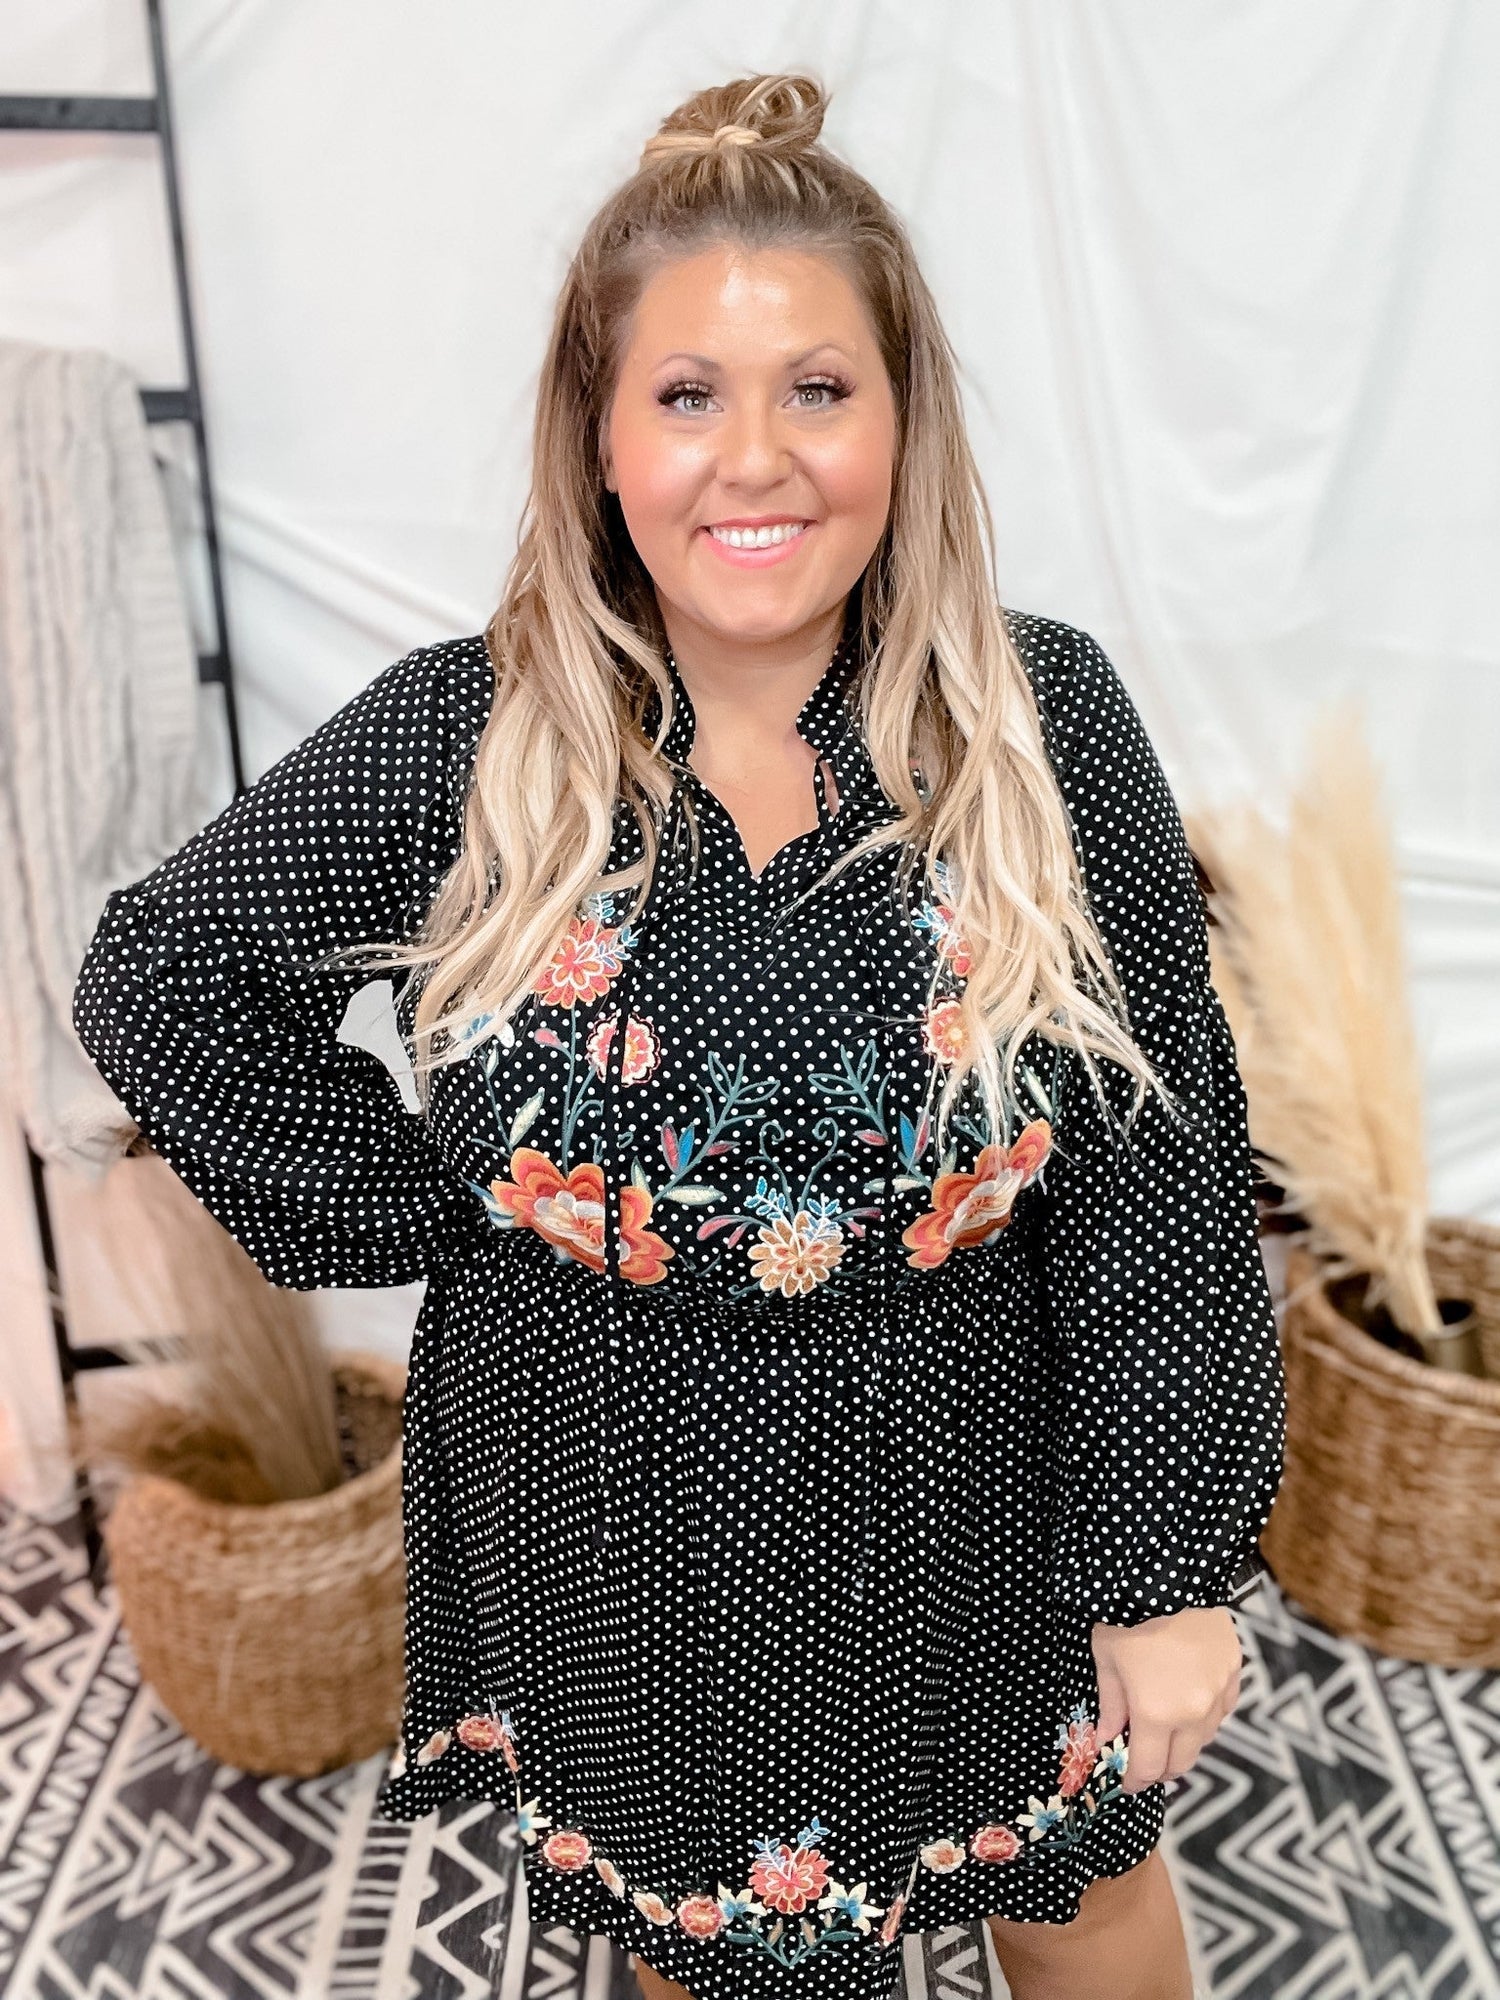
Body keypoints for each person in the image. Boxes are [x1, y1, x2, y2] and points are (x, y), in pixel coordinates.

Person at [72, 72, 1285, 2000]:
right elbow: (164, 974)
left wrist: (1164, 1568)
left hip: (983, 1477)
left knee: (1078, 1892)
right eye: (691, 395)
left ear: (904, 420)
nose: (758, 460)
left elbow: (1165, 1171)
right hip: (616, 1517)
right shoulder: (465, 739)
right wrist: (437, 1205)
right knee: (715, 1953)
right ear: (603, 436)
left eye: (821, 388)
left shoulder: (1039, 723)